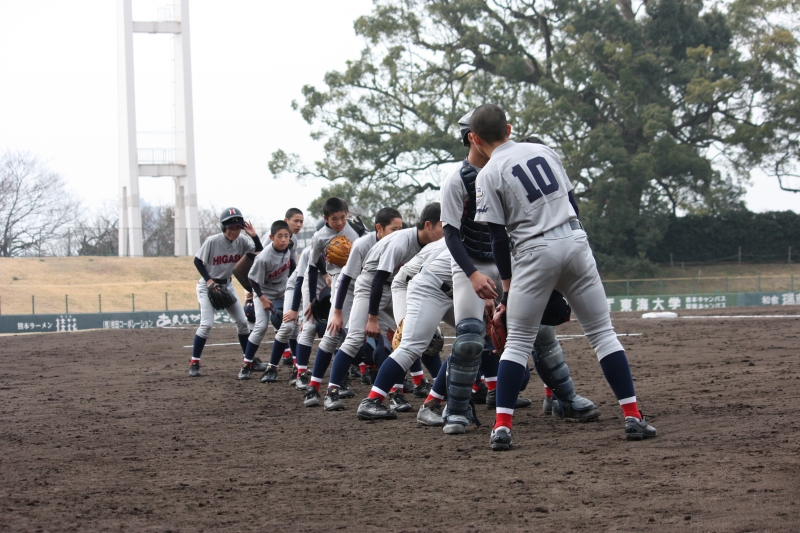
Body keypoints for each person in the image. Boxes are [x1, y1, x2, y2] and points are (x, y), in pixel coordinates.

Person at [469, 104, 657, 450]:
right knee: (603, 334)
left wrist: (508, 289)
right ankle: (633, 416)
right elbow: (572, 203)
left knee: (518, 342)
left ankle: (502, 428)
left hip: (532, 250)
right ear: (509, 129)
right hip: (574, 238)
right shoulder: (543, 151)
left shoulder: (487, 173)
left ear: (475, 139)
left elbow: (497, 238)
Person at [324, 203, 444, 412]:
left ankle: (400, 394)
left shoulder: (431, 244)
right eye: (443, 225)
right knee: (355, 339)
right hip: (370, 285)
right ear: (428, 225)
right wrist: (372, 318)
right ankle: (331, 392)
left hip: (397, 287)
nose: (446, 230)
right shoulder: (401, 241)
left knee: (410, 336)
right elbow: (378, 279)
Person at [302, 207, 403, 407]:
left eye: (400, 229)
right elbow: (345, 278)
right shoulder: (362, 244)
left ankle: (398, 391)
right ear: (379, 228)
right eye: (394, 229)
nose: (398, 233)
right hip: (353, 289)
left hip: (386, 290)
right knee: (334, 335)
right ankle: (317, 389)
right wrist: (337, 312)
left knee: (401, 335)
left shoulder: (402, 242)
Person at [284, 199, 360, 388]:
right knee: (310, 324)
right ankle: (301, 373)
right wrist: (311, 300)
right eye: (334, 219)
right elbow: (310, 270)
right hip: (317, 282)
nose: (340, 223)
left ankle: (343, 375)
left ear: (347, 214)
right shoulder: (318, 238)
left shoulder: (352, 231)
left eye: (343, 217)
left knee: (342, 327)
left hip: (341, 280)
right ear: (326, 219)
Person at [188, 207, 262, 377]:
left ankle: (248, 360)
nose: (234, 232)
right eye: (230, 228)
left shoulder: (242, 241)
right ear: (223, 228)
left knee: (242, 322)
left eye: (237, 228)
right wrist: (209, 281)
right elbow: (198, 261)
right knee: (206, 324)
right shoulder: (212, 241)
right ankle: (194, 363)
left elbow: (260, 253)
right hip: (207, 286)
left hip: (227, 285)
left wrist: (254, 236)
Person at [237, 220, 296, 380]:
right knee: (261, 326)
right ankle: (246, 365)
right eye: (279, 236)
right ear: (271, 237)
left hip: (282, 290)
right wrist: (262, 298)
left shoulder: (288, 248)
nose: (283, 239)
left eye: (286, 236)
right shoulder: (264, 257)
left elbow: (292, 267)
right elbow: (252, 279)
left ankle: (297, 365)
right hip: (263, 291)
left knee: (291, 325)